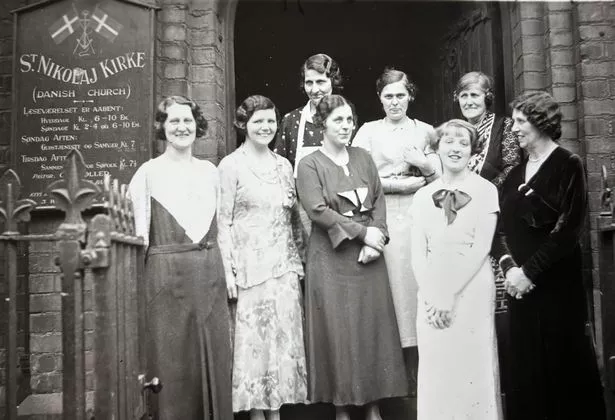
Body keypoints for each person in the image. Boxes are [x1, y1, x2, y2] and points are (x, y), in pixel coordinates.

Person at [492, 91, 606, 420]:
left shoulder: (568, 165)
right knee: (527, 368)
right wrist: (512, 269)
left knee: (563, 365)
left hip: (556, 286)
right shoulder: (513, 176)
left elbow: (568, 230)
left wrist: (529, 273)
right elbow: (498, 231)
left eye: (520, 121)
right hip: (520, 289)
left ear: (541, 123)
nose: (513, 128)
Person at [296, 95, 408, 420]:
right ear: (322, 125)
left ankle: (373, 406)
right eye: (338, 120)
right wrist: (362, 235)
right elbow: (317, 209)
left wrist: (377, 239)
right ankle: (341, 408)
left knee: (371, 329)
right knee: (338, 332)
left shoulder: (363, 158)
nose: (346, 126)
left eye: (349, 120)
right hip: (331, 260)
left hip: (368, 258)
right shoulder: (309, 164)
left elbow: (377, 200)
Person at [128, 95, 232, 419]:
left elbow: (223, 229)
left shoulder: (210, 172)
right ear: (162, 126)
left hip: (208, 275)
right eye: (173, 121)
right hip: (165, 279)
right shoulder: (147, 174)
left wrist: (229, 274)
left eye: (187, 121)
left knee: (213, 361)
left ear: (197, 125)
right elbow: (138, 236)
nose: (182, 127)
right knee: (171, 363)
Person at [217, 95, 308, 420]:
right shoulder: (231, 166)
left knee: (281, 346)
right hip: (249, 270)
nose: (265, 127)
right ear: (243, 124)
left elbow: (294, 221)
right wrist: (228, 271)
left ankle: (277, 415)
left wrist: (299, 265)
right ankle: (257, 416)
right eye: (258, 121)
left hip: (283, 268)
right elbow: (222, 223)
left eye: (270, 121)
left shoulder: (283, 166)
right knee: (254, 347)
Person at [352, 68, 440, 400]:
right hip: (383, 216)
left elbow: (442, 178)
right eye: (388, 96)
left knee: (417, 290)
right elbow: (359, 176)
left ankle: (421, 372)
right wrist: (399, 183)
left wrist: (426, 165)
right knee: (390, 293)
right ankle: (393, 375)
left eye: (400, 95)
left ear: (410, 95)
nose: (394, 102)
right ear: (380, 98)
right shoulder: (368, 132)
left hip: (419, 217)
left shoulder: (426, 131)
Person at [410, 119, 501, 420]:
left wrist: (449, 294)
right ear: (436, 148)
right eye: (448, 141)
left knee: (471, 364)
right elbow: (417, 253)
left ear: (473, 152)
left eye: (463, 143)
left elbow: (481, 248)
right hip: (432, 290)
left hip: (471, 286)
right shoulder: (423, 197)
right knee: (438, 367)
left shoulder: (486, 191)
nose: (455, 148)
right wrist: (432, 295)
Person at [454, 71, 522, 415]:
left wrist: (481, 192)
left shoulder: (505, 127)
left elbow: (512, 167)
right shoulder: (456, 131)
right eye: (464, 97)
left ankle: (507, 394)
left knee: (501, 308)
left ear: (487, 98)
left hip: (500, 222)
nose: (469, 103)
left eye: (475, 97)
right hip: (465, 227)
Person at [273, 53, 344, 233]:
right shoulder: (291, 120)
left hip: (340, 210)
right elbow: (279, 166)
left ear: (333, 81)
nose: (314, 89)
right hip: (302, 212)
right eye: (308, 82)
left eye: (320, 82)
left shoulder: (346, 118)